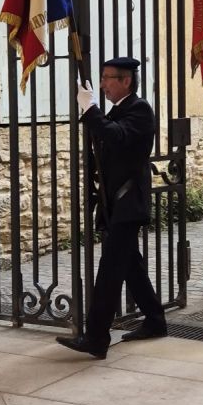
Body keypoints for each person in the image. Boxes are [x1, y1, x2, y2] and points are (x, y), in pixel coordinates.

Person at [56, 56, 166, 359]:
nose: (103, 84)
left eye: (108, 78)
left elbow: (115, 137)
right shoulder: (120, 110)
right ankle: (156, 321)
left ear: (126, 81)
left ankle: (96, 338)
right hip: (115, 203)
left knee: (109, 272)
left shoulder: (140, 110)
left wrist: (90, 110)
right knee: (131, 265)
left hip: (128, 202)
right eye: (102, 78)